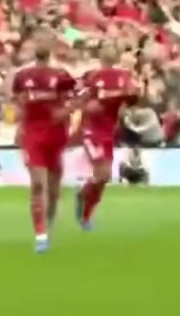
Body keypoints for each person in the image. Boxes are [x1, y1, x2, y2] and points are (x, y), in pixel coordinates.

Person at [10, 37, 79, 253]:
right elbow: (17, 100)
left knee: (54, 187)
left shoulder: (61, 75)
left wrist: (65, 112)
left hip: (56, 133)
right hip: (32, 133)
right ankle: (40, 234)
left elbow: (80, 96)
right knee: (38, 184)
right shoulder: (22, 76)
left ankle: (47, 225)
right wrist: (18, 121)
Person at [72, 45, 139, 230]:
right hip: (92, 131)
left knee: (104, 178)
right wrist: (88, 106)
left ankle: (86, 211)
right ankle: (83, 202)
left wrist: (126, 104)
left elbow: (130, 99)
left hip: (108, 132)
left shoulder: (123, 77)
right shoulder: (92, 76)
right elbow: (79, 100)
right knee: (102, 173)